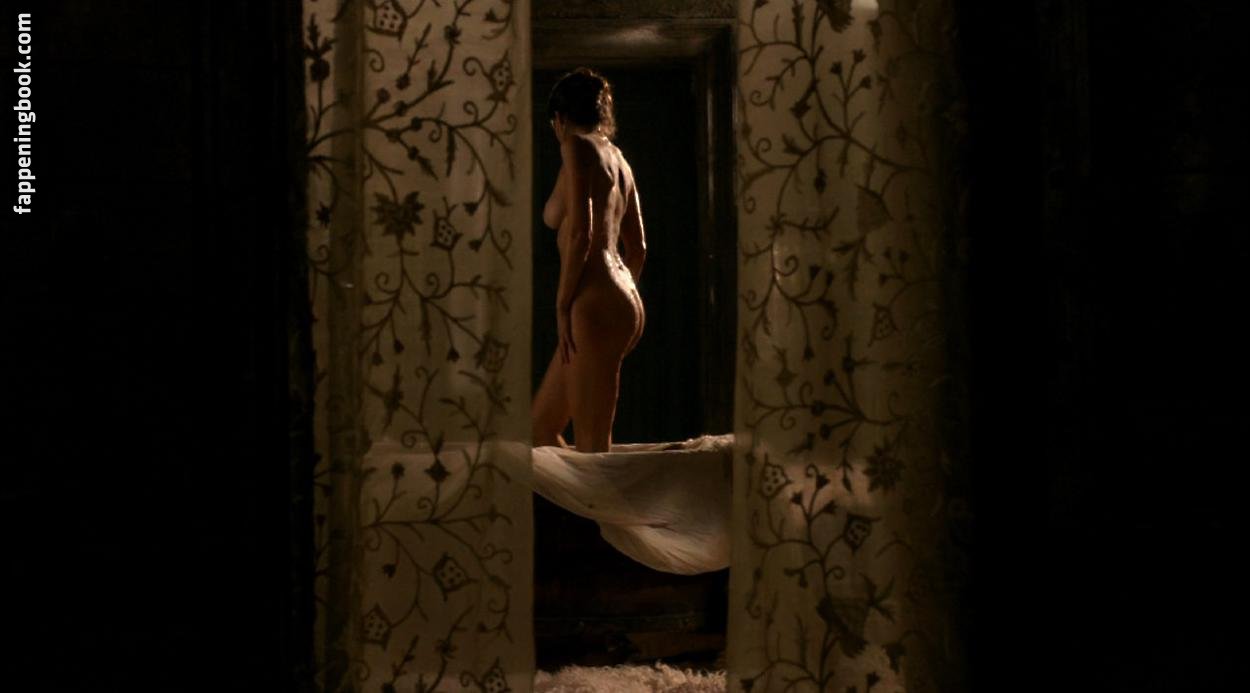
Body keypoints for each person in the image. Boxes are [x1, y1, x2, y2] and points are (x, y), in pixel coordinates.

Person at [532, 68, 646, 453]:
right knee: (539, 429)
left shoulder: (575, 146)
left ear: (559, 119)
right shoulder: (618, 160)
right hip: (620, 299)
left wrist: (564, 305)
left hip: (592, 305)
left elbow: (581, 233)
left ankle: (648, 503)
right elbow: (638, 248)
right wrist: (620, 303)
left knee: (593, 449)